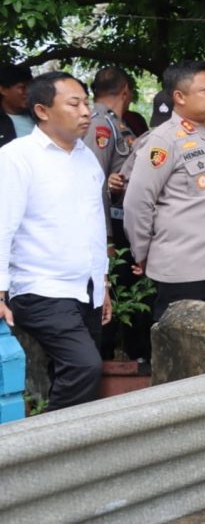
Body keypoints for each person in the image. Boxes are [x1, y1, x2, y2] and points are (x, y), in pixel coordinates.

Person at [0, 71, 111, 410]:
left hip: (86, 287)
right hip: (41, 287)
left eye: (86, 103)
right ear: (42, 110)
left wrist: (103, 282)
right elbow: (3, 225)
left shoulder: (86, 157)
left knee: (71, 374)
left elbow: (94, 224)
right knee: (84, 366)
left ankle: (70, 438)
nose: (85, 111)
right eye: (74, 104)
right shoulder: (17, 157)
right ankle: (50, 439)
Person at [123, 61, 205, 321]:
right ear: (180, 96)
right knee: (181, 344)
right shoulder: (164, 139)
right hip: (184, 272)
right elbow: (137, 203)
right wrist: (142, 253)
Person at [84, 66, 150, 360]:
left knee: (131, 299)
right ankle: (105, 362)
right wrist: (106, 239)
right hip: (112, 228)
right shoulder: (100, 125)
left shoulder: (116, 123)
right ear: (126, 91)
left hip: (124, 227)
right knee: (112, 301)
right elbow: (95, 184)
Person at [0, 64, 34, 146]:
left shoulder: (39, 115)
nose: (28, 92)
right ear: (3, 90)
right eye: (23, 87)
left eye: (30, 87)